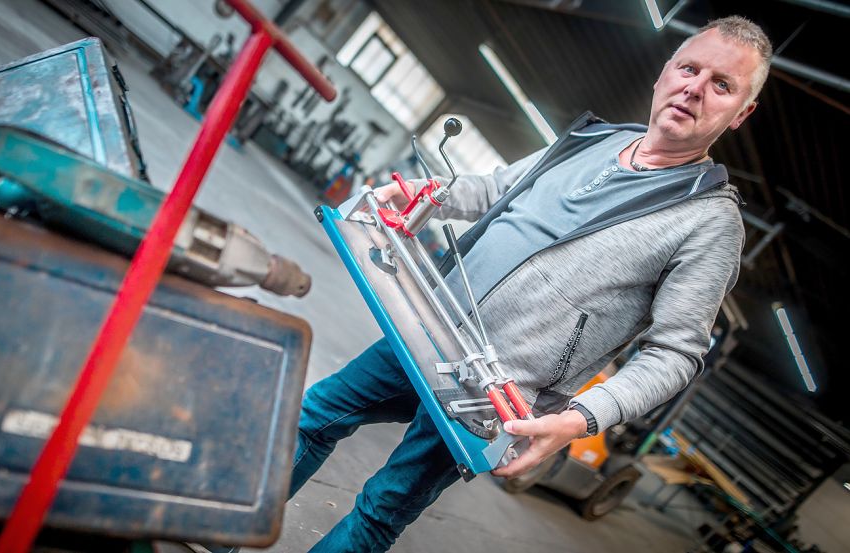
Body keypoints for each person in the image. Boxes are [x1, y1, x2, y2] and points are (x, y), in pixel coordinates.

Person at [196, 15, 771, 553]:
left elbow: (675, 353)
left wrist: (578, 420)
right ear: (665, 72)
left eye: (721, 85)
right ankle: (220, 530)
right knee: (314, 415)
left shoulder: (709, 222)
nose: (694, 89)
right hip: (429, 331)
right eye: (689, 68)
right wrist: (428, 192)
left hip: (495, 396)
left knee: (381, 507)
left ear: (741, 113)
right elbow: (497, 188)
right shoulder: (593, 141)